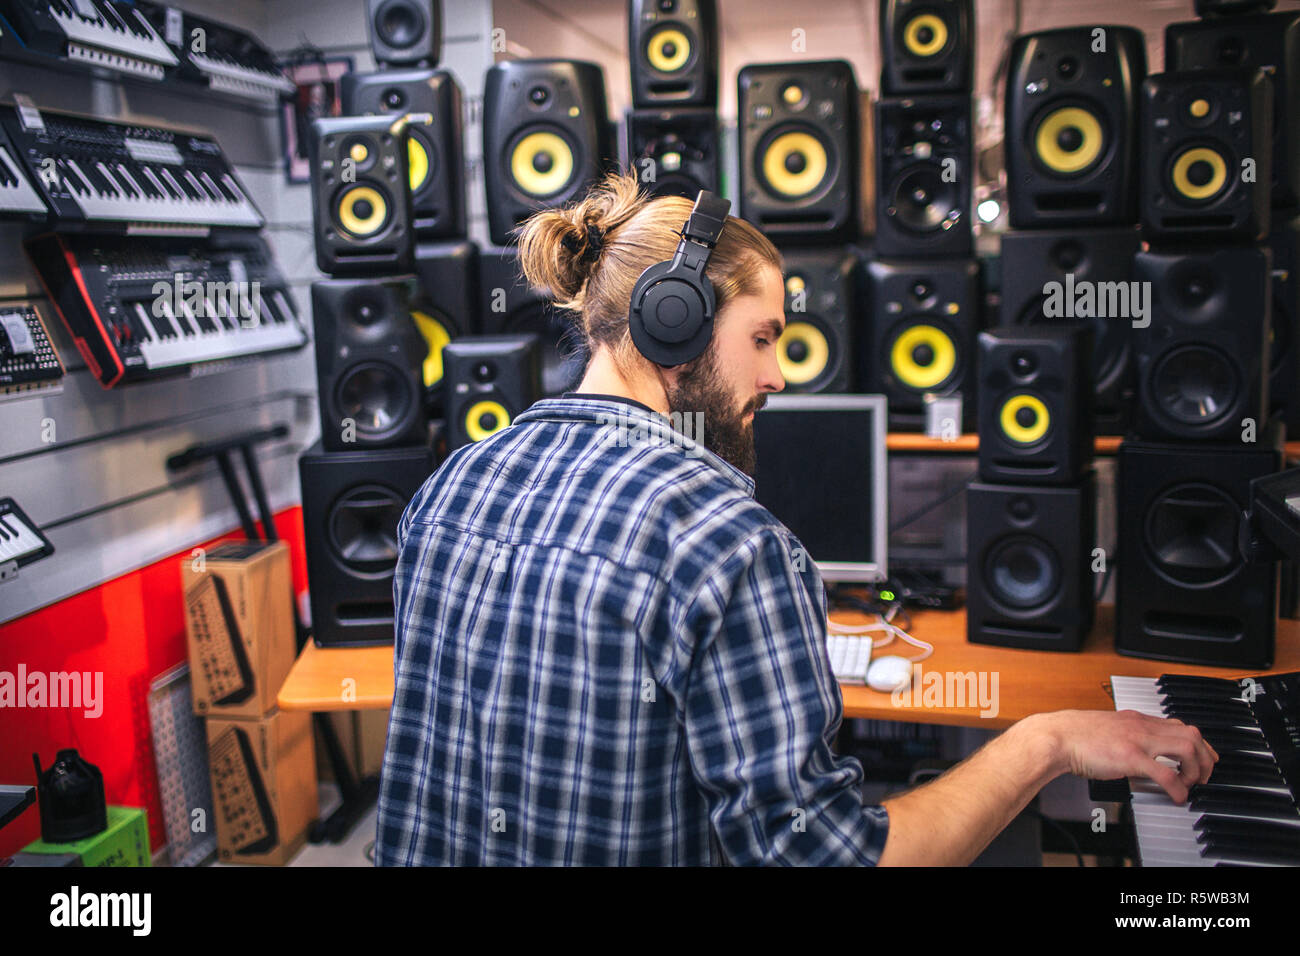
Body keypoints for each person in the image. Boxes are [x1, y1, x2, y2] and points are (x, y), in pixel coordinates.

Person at [375, 170, 1217, 866]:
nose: (778, 376)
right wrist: (1049, 743)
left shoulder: (452, 486)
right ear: (677, 322)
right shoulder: (727, 544)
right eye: (764, 337)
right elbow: (829, 860)